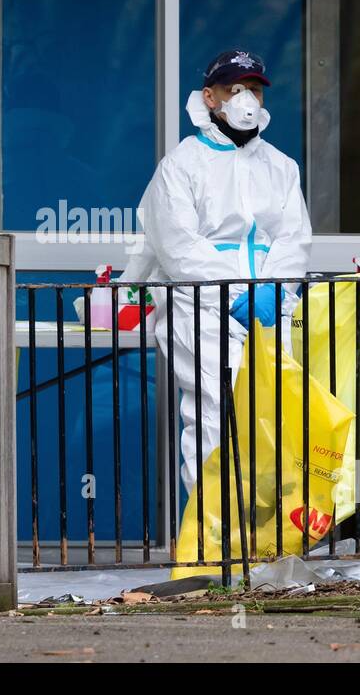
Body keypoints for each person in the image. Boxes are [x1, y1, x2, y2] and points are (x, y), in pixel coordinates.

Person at [121, 50, 312, 491]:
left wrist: (271, 293)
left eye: (256, 90)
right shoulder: (181, 166)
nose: (248, 99)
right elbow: (177, 247)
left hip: (271, 308)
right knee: (217, 411)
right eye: (235, 89)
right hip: (201, 306)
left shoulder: (281, 167)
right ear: (210, 98)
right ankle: (212, 541)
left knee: (276, 413)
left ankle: (265, 539)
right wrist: (235, 294)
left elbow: (293, 238)